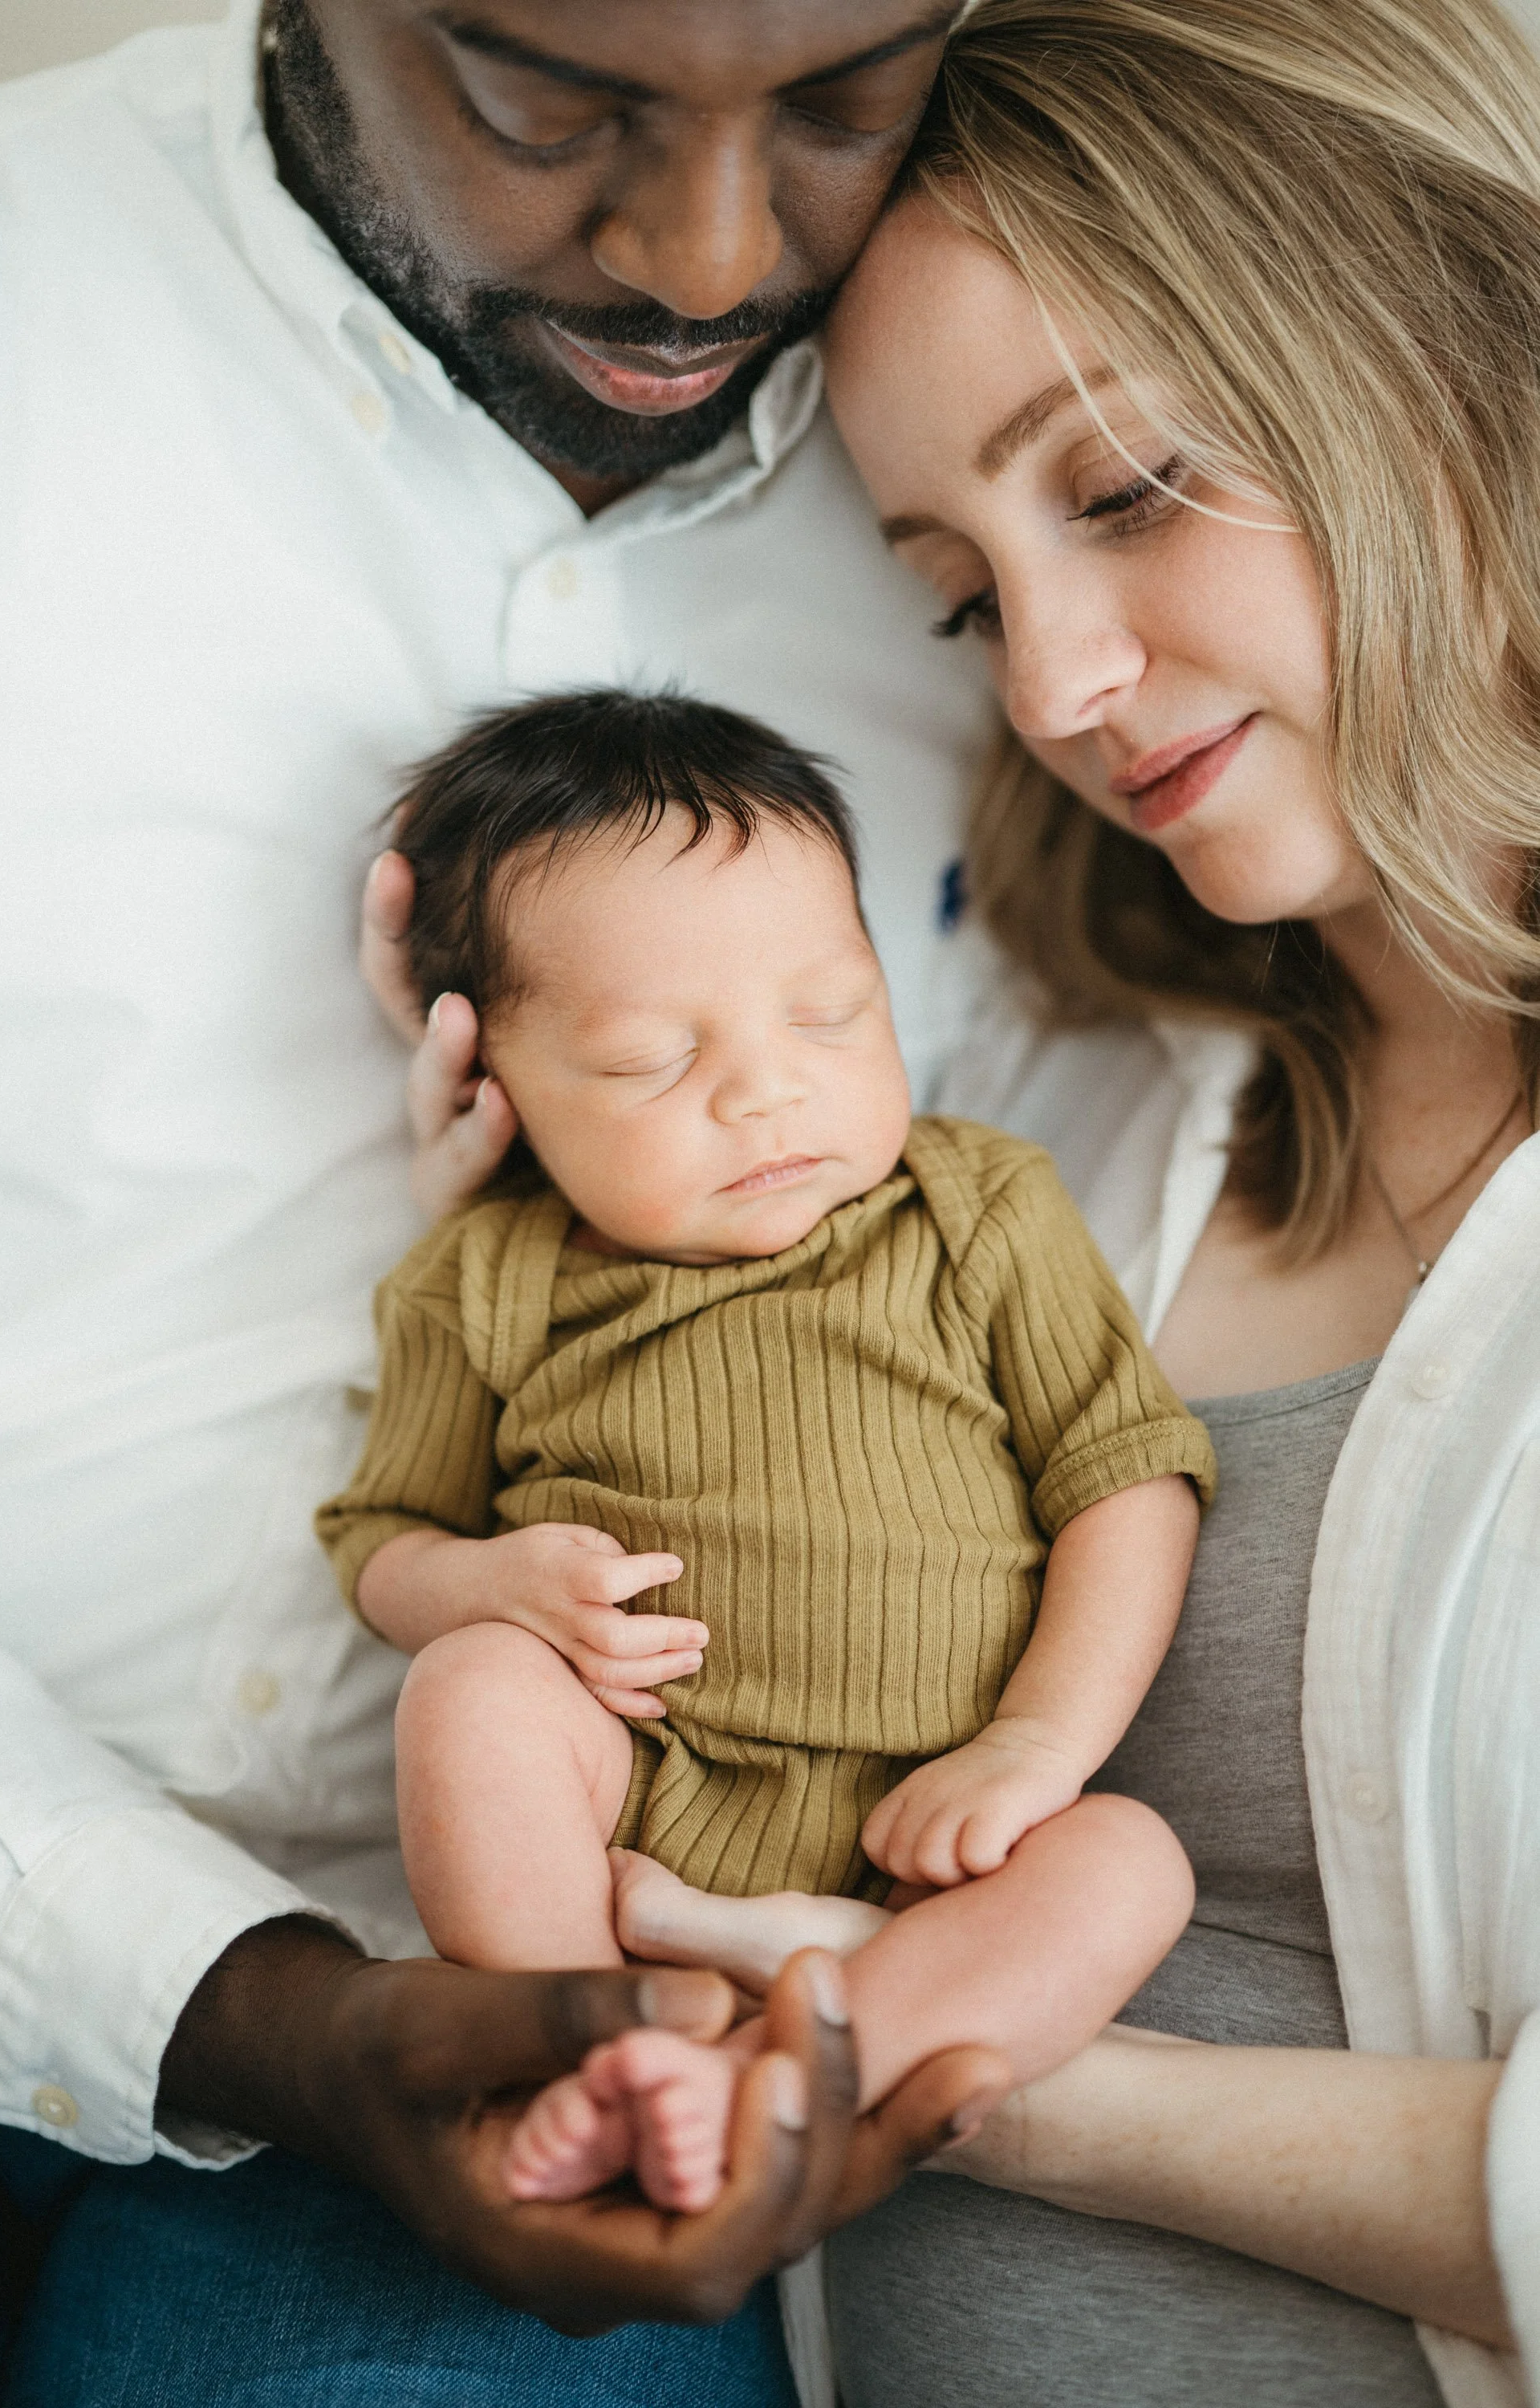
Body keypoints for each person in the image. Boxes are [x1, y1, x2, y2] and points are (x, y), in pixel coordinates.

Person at [0, 0, 1009, 2398]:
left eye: (844, 98)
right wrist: (246, 2007)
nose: (711, 257)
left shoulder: (1012, 434)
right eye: (549, 97)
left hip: (578, 2019)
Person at [795, 0, 1540, 2401]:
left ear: (1466, 352)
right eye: (958, 590)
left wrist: (980, 2086)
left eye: (1119, 486)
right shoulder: (1088, 1099)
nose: (1045, 682)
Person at [312, 685, 1211, 2212]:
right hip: (637, 1813)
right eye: (651, 1059)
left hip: (946, 1833)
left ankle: (780, 2088)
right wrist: (485, 1587)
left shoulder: (976, 1207)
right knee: (470, 1695)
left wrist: (1036, 1747)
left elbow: (1125, 1478)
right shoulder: (486, 1278)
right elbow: (378, 1541)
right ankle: (590, 2040)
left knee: (1128, 1865)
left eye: (829, 1011)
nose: (768, 1086)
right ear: (496, 1092)